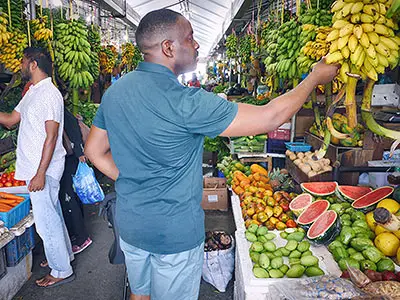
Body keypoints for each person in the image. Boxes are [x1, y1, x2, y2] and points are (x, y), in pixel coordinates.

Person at [84, 9, 339, 300]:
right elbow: (271, 116)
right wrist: (314, 77)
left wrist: (134, 179)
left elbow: (94, 150)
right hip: (174, 233)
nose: (196, 45)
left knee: (139, 293)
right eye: (190, 38)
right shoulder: (187, 102)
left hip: (130, 223)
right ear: (168, 47)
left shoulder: (115, 93)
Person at [0, 47, 74, 288]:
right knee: (53, 216)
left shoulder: (49, 94)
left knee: (46, 222)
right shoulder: (33, 92)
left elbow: (52, 136)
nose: (19, 66)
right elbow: (11, 120)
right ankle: (65, 259)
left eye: (22, 61)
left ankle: (61, 270)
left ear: (33, 64)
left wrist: (40, 173)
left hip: (43, 170)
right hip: (36, 168)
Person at [59, 108, 92, 253]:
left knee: (68, 197)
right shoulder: (58, 108)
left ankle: (82, 238)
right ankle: (77, 235)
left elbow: (72, 129)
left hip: (69, 158)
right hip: (67, 158)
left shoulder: (60, 110)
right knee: (70, 196)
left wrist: (79, 153)